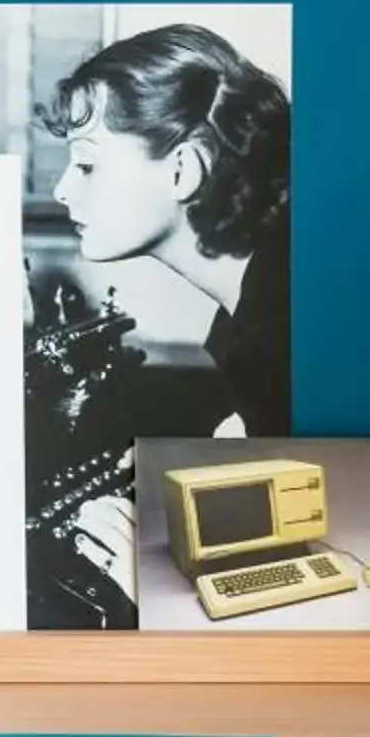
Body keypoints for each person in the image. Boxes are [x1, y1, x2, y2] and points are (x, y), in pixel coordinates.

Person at [46, 22, 292, 438]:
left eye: (86, 165)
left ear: (183, 170)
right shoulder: (256, 307)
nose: (61, 191)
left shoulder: (278, 336)